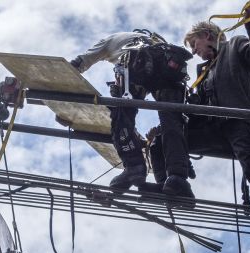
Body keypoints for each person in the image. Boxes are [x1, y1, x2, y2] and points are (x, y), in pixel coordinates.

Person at [182, 3, 250, 230]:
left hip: (241, 121)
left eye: (194, 44)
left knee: (249, 157)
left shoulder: (235, 45)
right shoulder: (204, 73)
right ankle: (172, 183)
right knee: (173, 137)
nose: (193, 51)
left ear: (207, 35)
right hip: (217, 129)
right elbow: (200, 109)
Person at [70, 30, 195, 200]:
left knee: (122, 116)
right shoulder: (157, 41)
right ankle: (177, 178)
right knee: (172, 121)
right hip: (167, 65)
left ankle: (134, 166)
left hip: (137, 62)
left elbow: (80, 63)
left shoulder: (110, 39)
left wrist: (55, 91)